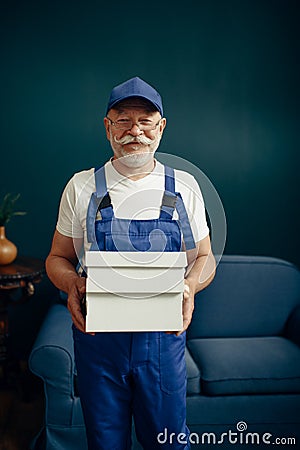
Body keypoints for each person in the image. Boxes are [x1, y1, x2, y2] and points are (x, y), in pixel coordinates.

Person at [46, 76, 216, 450]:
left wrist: (189, 286)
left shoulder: (184, 186)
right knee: (106, 442)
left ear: (161, 128)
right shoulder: (81, 186)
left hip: (162, 339)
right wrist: (72, 284)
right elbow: (58, 258)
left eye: (145, 121)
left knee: (168, 441)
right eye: (123, 120)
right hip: (98, 340)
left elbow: (204, 258)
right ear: (108, 127)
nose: (134, 131)